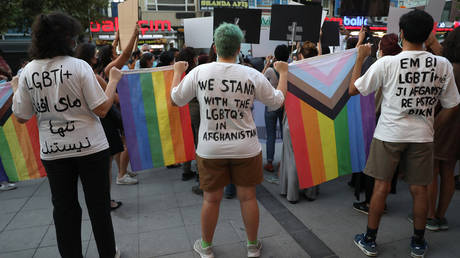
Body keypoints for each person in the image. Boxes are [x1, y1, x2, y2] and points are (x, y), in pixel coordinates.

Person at [170, 23, 288, 258]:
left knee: (211, 199)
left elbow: (176, 100)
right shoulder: (251, 74)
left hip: (210, 148)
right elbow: (277, 101)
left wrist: (176, 72)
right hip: (246, 147)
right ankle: (252, 247)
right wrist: (283, 73)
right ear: (238, 49)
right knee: (248, 197)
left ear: (215, 47)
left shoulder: (199, 72)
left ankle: (206, 248)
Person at [349, 10, 460, 257]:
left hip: (389, 134)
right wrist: (433, 126)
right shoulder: (442, 64)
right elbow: (452, 104)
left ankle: (369, 239)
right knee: (420, 189)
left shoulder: (387, 63)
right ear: (429, 34)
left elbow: (353, 90)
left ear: (401, 33)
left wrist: (359, 58)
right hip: (422, 136)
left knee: (381, 186)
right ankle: (418, 243)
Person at [12, 12, 123, 258]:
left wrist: (16, 87)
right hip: (91, 149)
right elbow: (103, 108)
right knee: (99, 207)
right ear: (65, 38)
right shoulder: (79, 66)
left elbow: (21, 116)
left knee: (64, 209)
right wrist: (113, 80)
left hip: (54, 152)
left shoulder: (29, 71)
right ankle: (108, 253)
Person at [352, 33, 402, 215]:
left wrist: (360, 58)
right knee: (388, 170)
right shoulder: (403, 66)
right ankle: (382, 202)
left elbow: (353, 89)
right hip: (399, 126)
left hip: (380, 122)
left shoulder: (381, 66)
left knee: (375, 168)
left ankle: (372, 206)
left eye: (379, 47)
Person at [425, 26, 460, 231]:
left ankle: (429, 216)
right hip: (457, 129)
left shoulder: (446, 67)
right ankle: (440, 215)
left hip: (442, 121)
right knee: (449, 170)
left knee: (432, 169)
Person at [95, 26, 139, 186]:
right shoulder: (109, 69)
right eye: (114, 52)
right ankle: (121, 174)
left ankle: (123, 170)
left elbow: (114, 49)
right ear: (111, 56)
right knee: (129, 142)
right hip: (119, 109)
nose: (117, 53)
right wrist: (133, 35)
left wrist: (117, 36)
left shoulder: (102, 68)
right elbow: (126, 55)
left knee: (121, 143)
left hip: (114, 110)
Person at [262, 45, 289, 173]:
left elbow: (259, 80)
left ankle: (269, 162)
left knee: (271, 135)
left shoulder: (270, 71)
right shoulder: (290, 69)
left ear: (275, 55)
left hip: (271, 106)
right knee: (285, 135)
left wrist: (267, 64)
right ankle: (285, 161)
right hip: (284, 105)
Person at [176, 47, 200, 181]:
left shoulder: (178, 73)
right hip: (196, 109)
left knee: (186, 140)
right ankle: (199, 172)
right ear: (193, 59)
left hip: (182, 109)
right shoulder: (196, 73)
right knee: (198, 142)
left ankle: (186, 170)